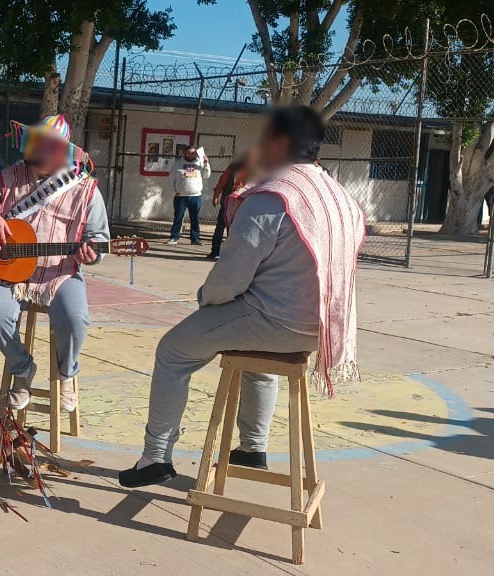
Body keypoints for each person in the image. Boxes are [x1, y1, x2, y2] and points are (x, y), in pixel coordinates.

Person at [119, 106, 366, 488]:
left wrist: (206, 300)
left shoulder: (274, 196)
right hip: (327, 328)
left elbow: (229, 281)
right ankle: (253, 447)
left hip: (277, 321)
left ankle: (155, 456)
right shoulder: (340, 196)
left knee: (173, 350)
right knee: (254, 355)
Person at [0, 114, 110, 412]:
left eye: (45, 145)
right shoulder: (9, 176)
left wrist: (93, 254)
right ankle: (22, 368)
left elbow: (99, 239)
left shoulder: (86, 190)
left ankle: (67, 372)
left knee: (75, 317)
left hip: (59, 273)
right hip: (10, 274)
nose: (34, 150)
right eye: (35, 143)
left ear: (60, 152)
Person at [207, 151, 257, 260]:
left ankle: (232, 254)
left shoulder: (255, 172)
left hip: (244, 205)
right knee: (220, 228)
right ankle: (215, 251)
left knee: (238, 230)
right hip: (228, 203)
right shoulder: (232, 169)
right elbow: (221, 183)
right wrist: (216, 196)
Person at [167, 144, 211, 246]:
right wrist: (174, 191)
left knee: (194, 218)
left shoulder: (200, 162)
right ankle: (174, 237)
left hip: (195, 196)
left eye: (193, 153)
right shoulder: (178, 164)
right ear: (184, 153)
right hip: (180, 196)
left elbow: (206, 175)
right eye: (189, 153)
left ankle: (195, 238)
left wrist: (206, 164)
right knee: (178, 217)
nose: (191, 155)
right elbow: (171, 179)